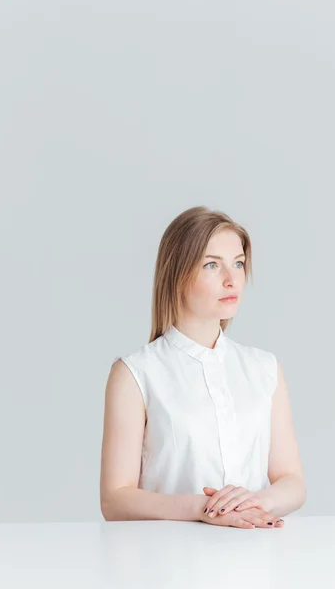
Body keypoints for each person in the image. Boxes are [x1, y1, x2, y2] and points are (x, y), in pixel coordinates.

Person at [100, 206, 306, 529]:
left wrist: (250, 503)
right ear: (177, 274)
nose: (231, 279)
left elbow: (292, 481)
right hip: (167, 565)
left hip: (255, 561)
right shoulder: (135, 374)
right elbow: (115, 499)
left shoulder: (265, 369)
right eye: (212, 265)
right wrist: (204, 508)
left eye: (238, 263)